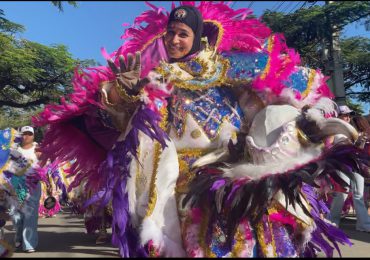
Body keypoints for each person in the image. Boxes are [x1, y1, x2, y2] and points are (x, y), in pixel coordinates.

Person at [33, 2, 369, 258]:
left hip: (232, 174)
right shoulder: (155, 79)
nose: (175, 39)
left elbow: (287, 81)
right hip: (181, 185)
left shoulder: (227, 67)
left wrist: (306, 112)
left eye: (183, 34)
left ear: (199, 36)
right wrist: (120, 93)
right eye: (171, 33)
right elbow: (117, 127)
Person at [327, 105, 370, 232]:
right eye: (344, 114)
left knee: (358, 194)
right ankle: (332, 221)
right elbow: (328, 148)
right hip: (341, 164)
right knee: (342, 192)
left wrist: (361, 141)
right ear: (338, 115)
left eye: (348, 114)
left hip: (356, 164)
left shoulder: (353, 130)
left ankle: (364, 224)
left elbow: (359, 149)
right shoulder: (333, 130)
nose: (347, 117)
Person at [12, 126, 41, 253]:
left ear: (33, 136)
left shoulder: (38, 149)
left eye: (29, 134)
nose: (27, 136)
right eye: (24, 134)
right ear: (21, 135)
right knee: (16, 214)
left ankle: (29, 244)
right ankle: (18, 236)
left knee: (30, 214)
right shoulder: (15, 150)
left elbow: (46, 165)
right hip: (17, 183)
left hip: (33, 184)